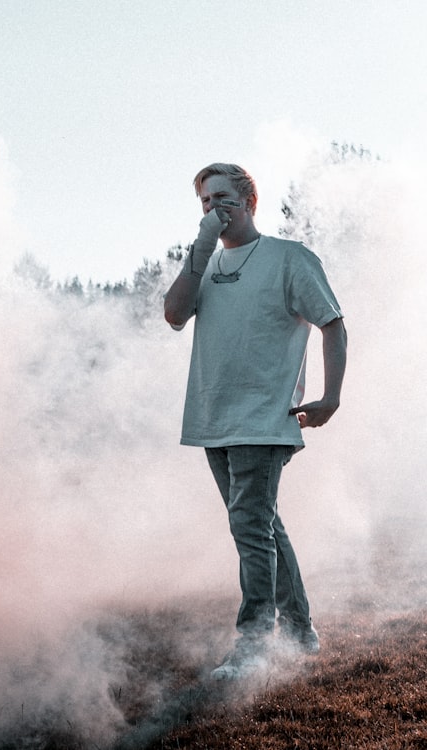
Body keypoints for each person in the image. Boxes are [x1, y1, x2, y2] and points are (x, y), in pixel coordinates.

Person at [164, 163, 347, 681]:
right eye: (204, 201)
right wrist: (199, 248)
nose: (211, 208)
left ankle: (254, 643)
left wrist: (330, 396)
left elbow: (332, 324)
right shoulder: (205, 266)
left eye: (222, 197)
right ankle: (300, 630)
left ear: (248, 200)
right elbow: (175, 314)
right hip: (211, 417)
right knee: (260, 523)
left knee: (248, 525)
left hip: (263, 418)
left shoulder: (288, 258)